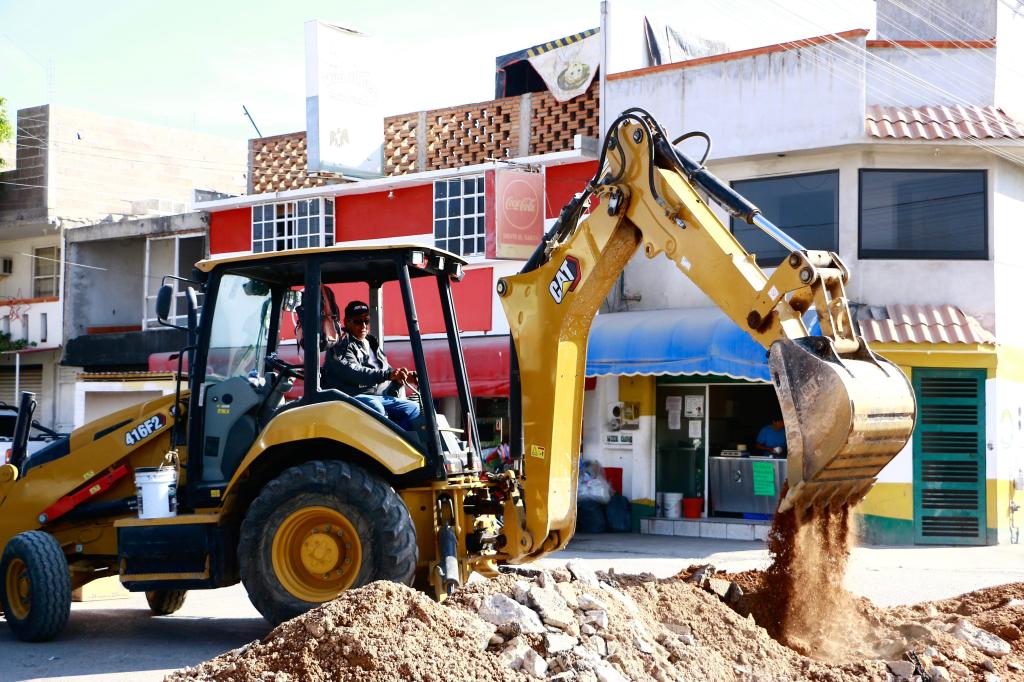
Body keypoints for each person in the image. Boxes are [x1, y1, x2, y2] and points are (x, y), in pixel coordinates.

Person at [322, 300, 422, 431]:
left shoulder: (371, 341)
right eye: (357, 321)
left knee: (412, 408)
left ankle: (397, 442)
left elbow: (386, 369)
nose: (363, 326)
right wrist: (388, 375)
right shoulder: (341, 344)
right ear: (346, 322)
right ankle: (385, 443)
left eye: (366, 321)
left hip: (380, 396)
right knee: (375, 408)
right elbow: (354, 372)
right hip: (352, 396)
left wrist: (402, 377)